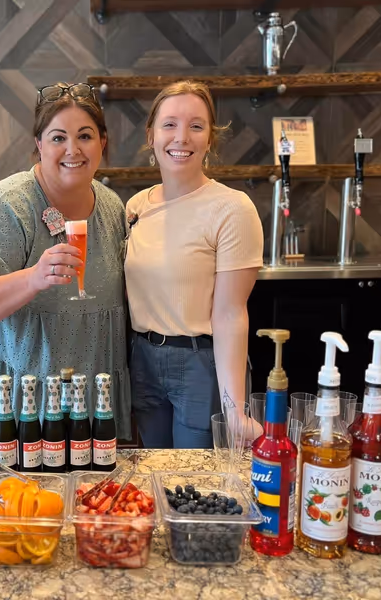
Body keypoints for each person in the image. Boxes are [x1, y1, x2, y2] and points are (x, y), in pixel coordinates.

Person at [0, 83, 130, 450]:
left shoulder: (112, 208)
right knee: (4, 504)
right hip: (2, 405)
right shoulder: (6, 207)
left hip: (77, 407)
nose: (73, 149)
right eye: (58, 137)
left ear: (102, 143)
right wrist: (33, 278)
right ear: (39, 144)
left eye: (85, 136)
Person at [125, 81, 264, 449]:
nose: (181, 137)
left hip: (201, 364)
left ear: (210, 139)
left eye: (196, 126)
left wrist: (235, 409)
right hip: (143, 360)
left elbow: (232, 313)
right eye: (169, 124)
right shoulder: (135, 206)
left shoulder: (232, 208)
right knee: (155, 475)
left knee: (198, 485)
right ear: (151, 135)